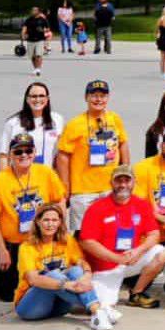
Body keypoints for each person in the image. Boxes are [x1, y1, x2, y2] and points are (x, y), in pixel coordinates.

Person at [0, 132, 69, 301]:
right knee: (10, 294)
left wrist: (60, 230)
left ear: (34, 152)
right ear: (10, 155)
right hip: (12, 244)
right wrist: (2, 250)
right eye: (18, 152)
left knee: (39, 284)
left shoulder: (45, 173)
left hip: (39, 241)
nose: (24, 155)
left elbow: (60, 199)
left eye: (28, 150)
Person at [79, 165, 165, 313]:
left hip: (130, 260)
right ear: (111, 183)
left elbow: (154, 234)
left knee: (162, 253)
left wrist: (139, 251)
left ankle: (136, 293)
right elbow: (87, 242)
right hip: (104, 268)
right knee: (103, 308)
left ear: (134, 182)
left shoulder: (142, 205)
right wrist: (116, 258)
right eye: (118, 181)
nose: (123, 185)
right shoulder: (97, 207)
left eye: (127, 181)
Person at [14, 204, 110, 330]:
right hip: (31, 307)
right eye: (46, 220)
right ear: (38, 221)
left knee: (76, 270)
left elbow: (81, 262)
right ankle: (99, 310)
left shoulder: (67, 241)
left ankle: (98, 311)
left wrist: (87, 274)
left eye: (54, 220)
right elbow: (33, 279)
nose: (50, 224)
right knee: (53, 275)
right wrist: (66, 285)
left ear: (60, 222)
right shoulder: (27, 247)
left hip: (59, 307)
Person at [56, 79, 129, 229]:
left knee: (110, 231)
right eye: (94, 95)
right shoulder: (75, 124)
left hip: (110, 188)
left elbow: (123, 143)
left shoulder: (115, 119)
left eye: (102, 96)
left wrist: (125, 172)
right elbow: (63, 156)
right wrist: (66, 185)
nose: (98, 99)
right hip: (83, 191)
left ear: (108, 98)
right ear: (86, 97)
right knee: (82, 233)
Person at [0, 82, 62, 171]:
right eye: (33, 96)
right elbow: (4, 155)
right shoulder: (13, 123)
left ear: (47, 99)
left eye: (41, 96)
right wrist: (4, 182)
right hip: (20, 178)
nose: (37, 99)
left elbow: (61, 153)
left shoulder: (57, 119)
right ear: (27, 99)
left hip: (48, 177)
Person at [20, 6, 49, 76]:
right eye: (32, 10)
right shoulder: (28, 19)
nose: (33, 11)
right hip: (30, 40)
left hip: (40, 39)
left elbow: (47, 29)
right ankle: (36, 69)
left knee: (39, 54)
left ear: (38, 12)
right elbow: (24, 28)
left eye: (35, 10)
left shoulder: (42, 20)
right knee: (32, 56)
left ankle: (38, 69)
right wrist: (23, 35)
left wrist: (42, 30)